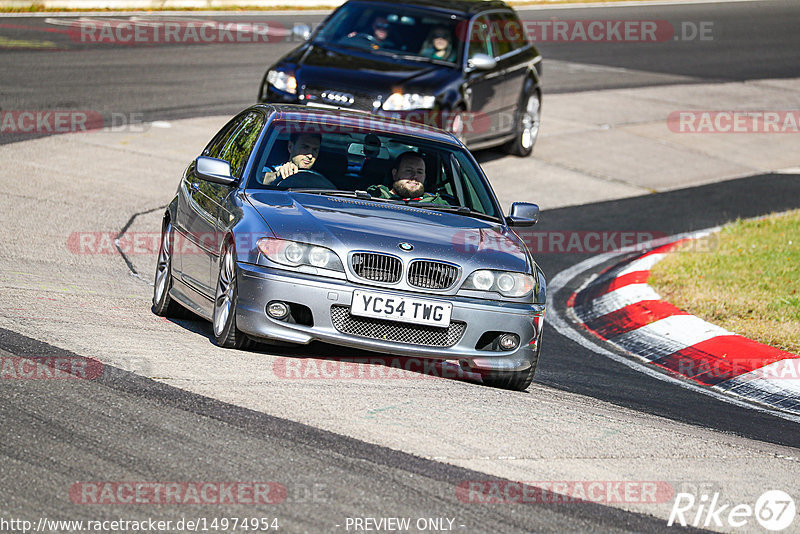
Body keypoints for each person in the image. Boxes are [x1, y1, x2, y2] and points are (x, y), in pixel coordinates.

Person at [367, 151, 449, 205]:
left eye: (419, 172)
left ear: (425, 176)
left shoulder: (438, 204)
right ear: (395, 173)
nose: (415, 176)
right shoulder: (374, 197)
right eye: (409, 171)